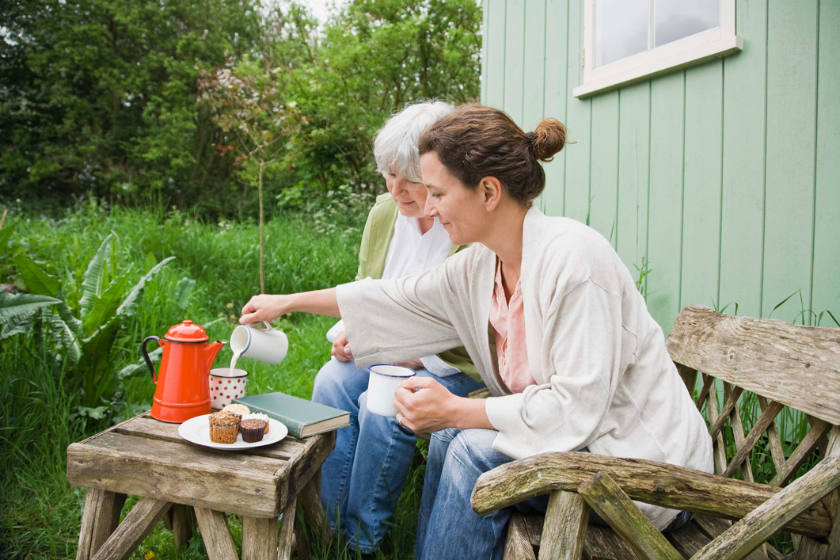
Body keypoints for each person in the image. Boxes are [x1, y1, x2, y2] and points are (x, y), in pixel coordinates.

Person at [240, 104, 713, 560]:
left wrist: (457, 409)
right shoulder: (482, 264)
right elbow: (395, 297)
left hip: (643, 473)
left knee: (470, 447)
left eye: (439, 193)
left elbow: (575, 404)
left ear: (488, 192)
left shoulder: (573, 261)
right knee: (453, 439)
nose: (429, 205)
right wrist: (289, 302)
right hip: (583, 447)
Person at [310, 101, 484, 554]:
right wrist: (351, 335)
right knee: (331, 381)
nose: (395, 187)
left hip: (452, 368)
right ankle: (321, 524)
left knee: (380, 403)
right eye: (388, 174)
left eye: (409, 177)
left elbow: (472, 334)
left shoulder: (464, 224)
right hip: (388, 352)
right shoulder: (385, 214)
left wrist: (403, 352)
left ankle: (362, 540)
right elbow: (368, 293)